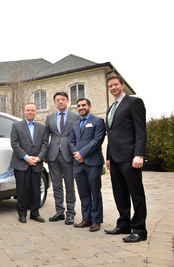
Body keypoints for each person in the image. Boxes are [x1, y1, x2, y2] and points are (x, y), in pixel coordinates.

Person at [104, 75, 147, 243]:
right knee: (119, 193)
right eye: (110, 86)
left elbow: (141, 131)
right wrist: (108, 157)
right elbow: (111, 135)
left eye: (116, 84)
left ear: (122, 85)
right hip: (114, 159)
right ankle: (123, 224)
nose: (113, 88)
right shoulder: (110, 109)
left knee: (136, 194)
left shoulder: (134, 102)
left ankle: (139, 229)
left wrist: (139, 154)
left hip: (130, 157)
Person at [68, 98, 105, 232]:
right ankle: (86, 219)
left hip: (93, 163)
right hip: (78, 164)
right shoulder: (75, 124)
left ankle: (96, 221)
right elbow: (70, 141)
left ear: (89, 106)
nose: (81, 107)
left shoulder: (98, 121)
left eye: (84, 105)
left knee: (95, 192)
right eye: (78, 106)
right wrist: (77, 154)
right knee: (83, 193)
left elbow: (97, 140)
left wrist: (82, 154)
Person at [45, 92, 80, 225]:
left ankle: (70, 213)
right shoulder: (49, 117)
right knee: (57, 185)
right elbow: (45, 136)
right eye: (58, 100)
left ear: (68, 101)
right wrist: (45, 154)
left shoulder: (75, 116)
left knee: (70, 185)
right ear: (55, 102)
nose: (60, 102)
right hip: (53, 156)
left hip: (69, 155)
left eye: (63, 100)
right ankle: (59, 212)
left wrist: (77, 152)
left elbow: (79, 135)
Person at [10, 102, 48, 223]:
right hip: (21, 163)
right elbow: (14, 143)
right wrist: (26, 157)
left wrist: (39, 158)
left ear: (35, 112)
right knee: (21, 190)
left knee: (36, 190)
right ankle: (22, 214)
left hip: (36, 163)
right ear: (24, 111)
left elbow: (45, 144)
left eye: (32, 110)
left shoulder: (42, 128)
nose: (30, 112)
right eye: (28, 110)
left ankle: (35, 213)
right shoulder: (16, 126)